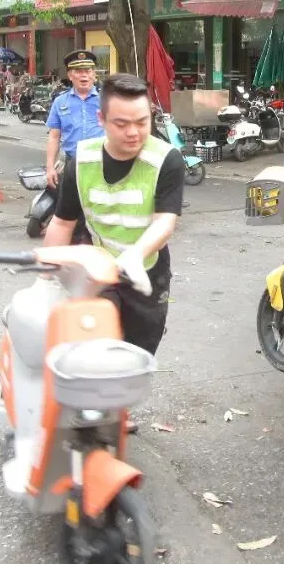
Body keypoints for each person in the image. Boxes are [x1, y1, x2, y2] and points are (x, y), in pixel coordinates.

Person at [43, 73, 185, 357]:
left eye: (142, 122)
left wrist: (134, 256)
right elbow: (62, 222)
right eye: (121, 124)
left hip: (147, 273)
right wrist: (44, 279)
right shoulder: (82, 161)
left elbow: (165, 221)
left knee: (134, 358)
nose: (133, 132)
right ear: (101, 119)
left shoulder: (166, 159)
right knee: (94, 351)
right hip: (99, 270)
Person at [45, 49, 104, 188]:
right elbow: (54, 137)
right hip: (72, 165)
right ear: (70, 76)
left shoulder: (107, 100)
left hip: (102, 164)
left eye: (88, 71)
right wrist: (50, 168)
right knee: (70, 206)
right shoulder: (60, 102)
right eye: (78, 71)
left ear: (94, 75)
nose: (84, 76)